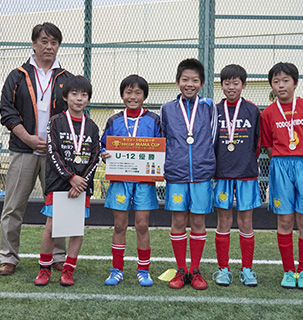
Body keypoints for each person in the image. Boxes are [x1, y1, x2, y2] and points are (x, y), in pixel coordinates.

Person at [0, 22, 73, 276]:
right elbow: (7, 111)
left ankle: (58, 256)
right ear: (33, 44)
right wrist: (28, 138)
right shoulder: (17, 76)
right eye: (44, 41)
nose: (49, 46)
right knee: (13, 206)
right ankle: (8, 257)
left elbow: (74, 114)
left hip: (56, 155)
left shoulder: (67, 79)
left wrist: (57, 145)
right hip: (23, 150)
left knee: (59, 207)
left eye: (54, 42)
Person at [260, 62, 303, 290]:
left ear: (296, 83)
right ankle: (289, 271)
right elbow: (268, 146)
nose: (280, 86)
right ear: (271, 85)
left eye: (285, 81)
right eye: (276, 81)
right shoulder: (268, 113)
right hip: (280, 166)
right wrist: (283, 159)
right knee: (285, 220)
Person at [34, 75, 100, 287]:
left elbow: (95, 157)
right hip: (60, 183)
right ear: (65, 97)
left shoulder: (92, 127)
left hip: (82, 186)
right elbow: (53, 153)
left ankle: (68, 270)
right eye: (74, 94)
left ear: (88, 98)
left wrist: (81, 182)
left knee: (76, 228)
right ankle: (44, 268)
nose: (79, 99)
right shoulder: (56, 122)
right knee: (51, 226)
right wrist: (71, 178)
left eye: (84, 95)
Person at [160, 58, 217, 290]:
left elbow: (213, 137)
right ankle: (181, 269)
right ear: (177, 82)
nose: (189, 84)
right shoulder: (166, 109)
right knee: (178, 221)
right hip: (176, 174)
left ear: (202, 83)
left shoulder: (209, 106)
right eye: (185, 79)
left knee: (198, 221)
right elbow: (163, 139)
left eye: (195, 80)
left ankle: (195, 270)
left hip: (202, 174)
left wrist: (206, 162)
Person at [100, 75, 162, 287]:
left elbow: (161, 147)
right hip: (120, 179)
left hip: (144, 181)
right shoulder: (114, 120)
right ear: (122, 95)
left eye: (137, 93)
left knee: (142, 224)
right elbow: (103, 145)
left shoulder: (154, 120)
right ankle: (117, 269)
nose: (133, 97)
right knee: (119, 225)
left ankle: (143, 270)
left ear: (144, 96)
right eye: (128, 92)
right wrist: (104, 154)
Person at [212, 64, 262, 287]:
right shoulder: (215, 110)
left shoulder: (252, 110)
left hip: (246, 174)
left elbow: (258, 143)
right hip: (222, 174)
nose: (231, 87)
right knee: (223, 221)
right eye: (227, 83)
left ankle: (247, 269)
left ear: (244, 85)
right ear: (221, 85)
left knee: (246, 221)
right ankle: (223, 268)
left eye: (235, 83)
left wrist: (246, 161)